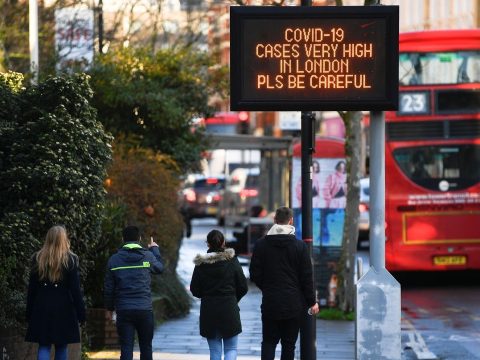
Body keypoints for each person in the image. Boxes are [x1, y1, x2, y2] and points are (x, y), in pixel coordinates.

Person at [249, 207, 319, 360]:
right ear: (291, 221)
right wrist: (312, 301)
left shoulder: (261, 245)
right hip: (293, 304)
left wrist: (267, 287)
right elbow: (306, 277)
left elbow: (254, 273)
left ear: (275, 220)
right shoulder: (300, 246)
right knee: (289, 345)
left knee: (268, 342)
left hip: (270, 301)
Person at [25, 225, 86, 360]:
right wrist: (81, 314)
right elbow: (75, 290)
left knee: (44, 345)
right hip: (63, 308)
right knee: (61, 346)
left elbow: (32, 290)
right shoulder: (70, 259)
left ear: (48, 239)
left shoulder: (38, 258)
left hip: (42, 307)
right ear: (63, 239)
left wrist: (29, 313)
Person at [104, 226, 164, 360]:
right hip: (144, 309)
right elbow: (160, 268)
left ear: (122, 239)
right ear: (139, 239)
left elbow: (109, 288)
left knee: (126, 346)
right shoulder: (148, 257)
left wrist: (109, 309)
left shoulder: (114, 260)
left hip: (124, 309)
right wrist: (154, 249)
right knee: (146, 346)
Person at [190, 230, 248, 360]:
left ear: (208, 244)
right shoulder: (232, 261)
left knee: (214, 352)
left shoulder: (201, 264)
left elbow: (195, 289)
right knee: (231, 349)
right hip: (229, 308)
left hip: (209, 310)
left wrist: (206, 295)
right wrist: (234, 299)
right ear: (223, 243)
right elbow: (243, 286)